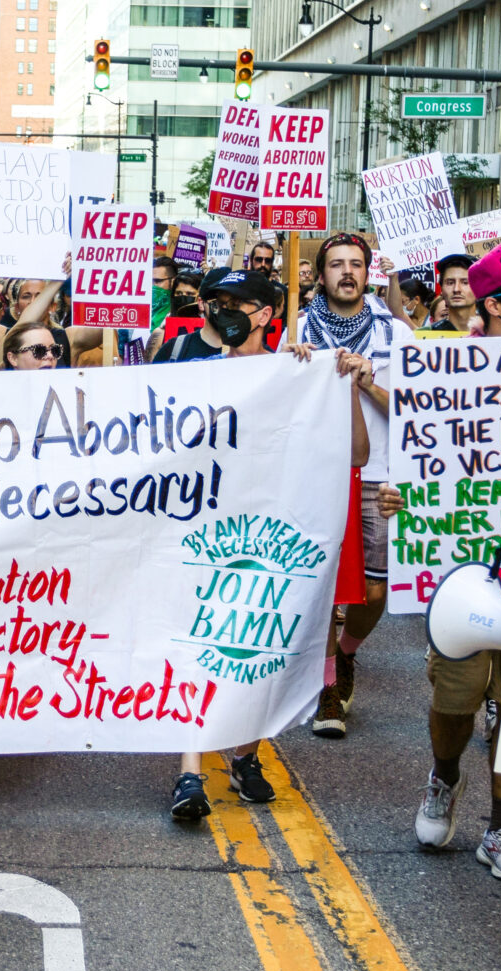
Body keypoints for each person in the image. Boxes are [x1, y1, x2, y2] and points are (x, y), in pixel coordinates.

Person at [154, 267, 365, 819]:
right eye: (214, 301)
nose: (220, 310)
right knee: (195, 642)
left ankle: (244, 755)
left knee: (250, 642)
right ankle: (190, 773)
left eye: (236, 302)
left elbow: (357, 455)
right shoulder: (191, 370)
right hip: (199, 529)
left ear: (266, 314)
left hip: (265, 533)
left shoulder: (298, 371)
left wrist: (342, 383)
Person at [300, 233, 399, 740]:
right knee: (319, 587)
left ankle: (347, 652)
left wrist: (367, 382)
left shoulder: (395, 333)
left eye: (355, 264)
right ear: (321, 275)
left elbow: (415, 411)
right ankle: (327, 687)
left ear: (367, 273)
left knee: (375, 590)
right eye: (335, 264)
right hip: (316, 474)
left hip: (378, 475)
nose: (346, 272)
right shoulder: (297, 330)